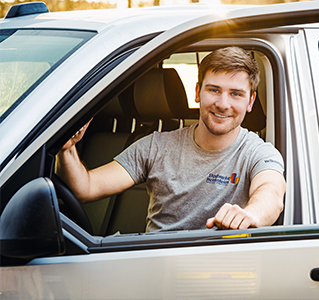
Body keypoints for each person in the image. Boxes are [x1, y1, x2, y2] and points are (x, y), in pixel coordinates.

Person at [56, 46, 286, 232]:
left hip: (221, 274)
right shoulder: (156, 146)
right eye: (214, 90)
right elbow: (85, 188)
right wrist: (66, 149)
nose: (223, 103)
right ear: (197, 92)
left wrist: (250, 215)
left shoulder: (259, 153)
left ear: (250, 101)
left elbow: (271, 194)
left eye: (236, 94)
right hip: (156, 268)